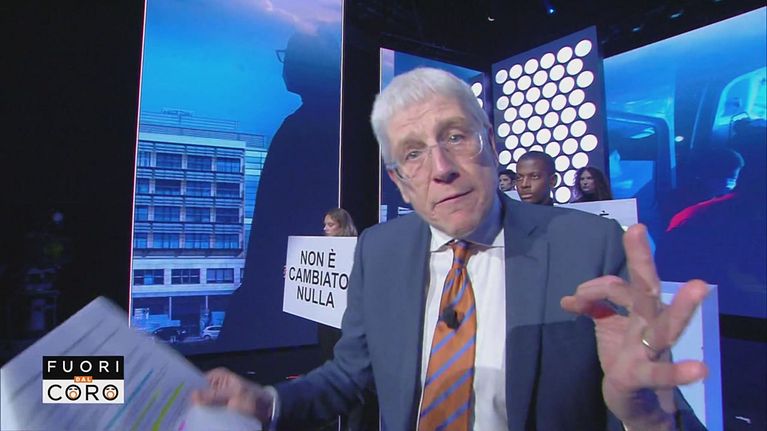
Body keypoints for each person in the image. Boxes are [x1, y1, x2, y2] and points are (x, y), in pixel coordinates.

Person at [193, 68, 708, 430]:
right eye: (413, 153)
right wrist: (268, 403)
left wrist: (644, 417)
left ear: (491, 144)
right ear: (400, 182)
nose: (441, 168)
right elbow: (348, 375)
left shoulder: (588, 246)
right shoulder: (379, 251)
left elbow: (651, 403)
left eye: (456, 137)